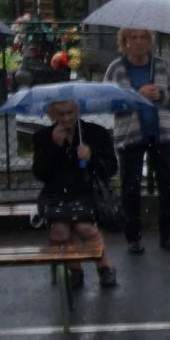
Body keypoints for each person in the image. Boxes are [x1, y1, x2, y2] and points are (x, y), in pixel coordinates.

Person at [103, 28, 170, 255]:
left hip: (162, 135)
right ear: (125, 42)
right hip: (130, 136)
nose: (138, 42)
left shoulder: (162, 66)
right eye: (133, 38)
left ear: (149, 41)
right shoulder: (116, 69)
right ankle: (133, 238)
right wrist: (136, 96)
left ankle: (169, 236)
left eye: (143, 37)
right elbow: (107, 101)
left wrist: (162, 96)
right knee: (130, 187)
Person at [30, 98, 120, 290]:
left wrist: (91, 158)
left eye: (70, 113)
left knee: (84, 227)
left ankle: (105, 267)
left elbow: (111, 167)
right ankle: (74, 269)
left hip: (87, 191)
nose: (66, 118)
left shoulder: (96, 133)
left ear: (77, 111)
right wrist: (54, 146)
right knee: (59, 230)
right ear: (53, 115)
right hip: (55, 194)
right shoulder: (43, 136)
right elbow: (40, 173)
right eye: (60, 114)